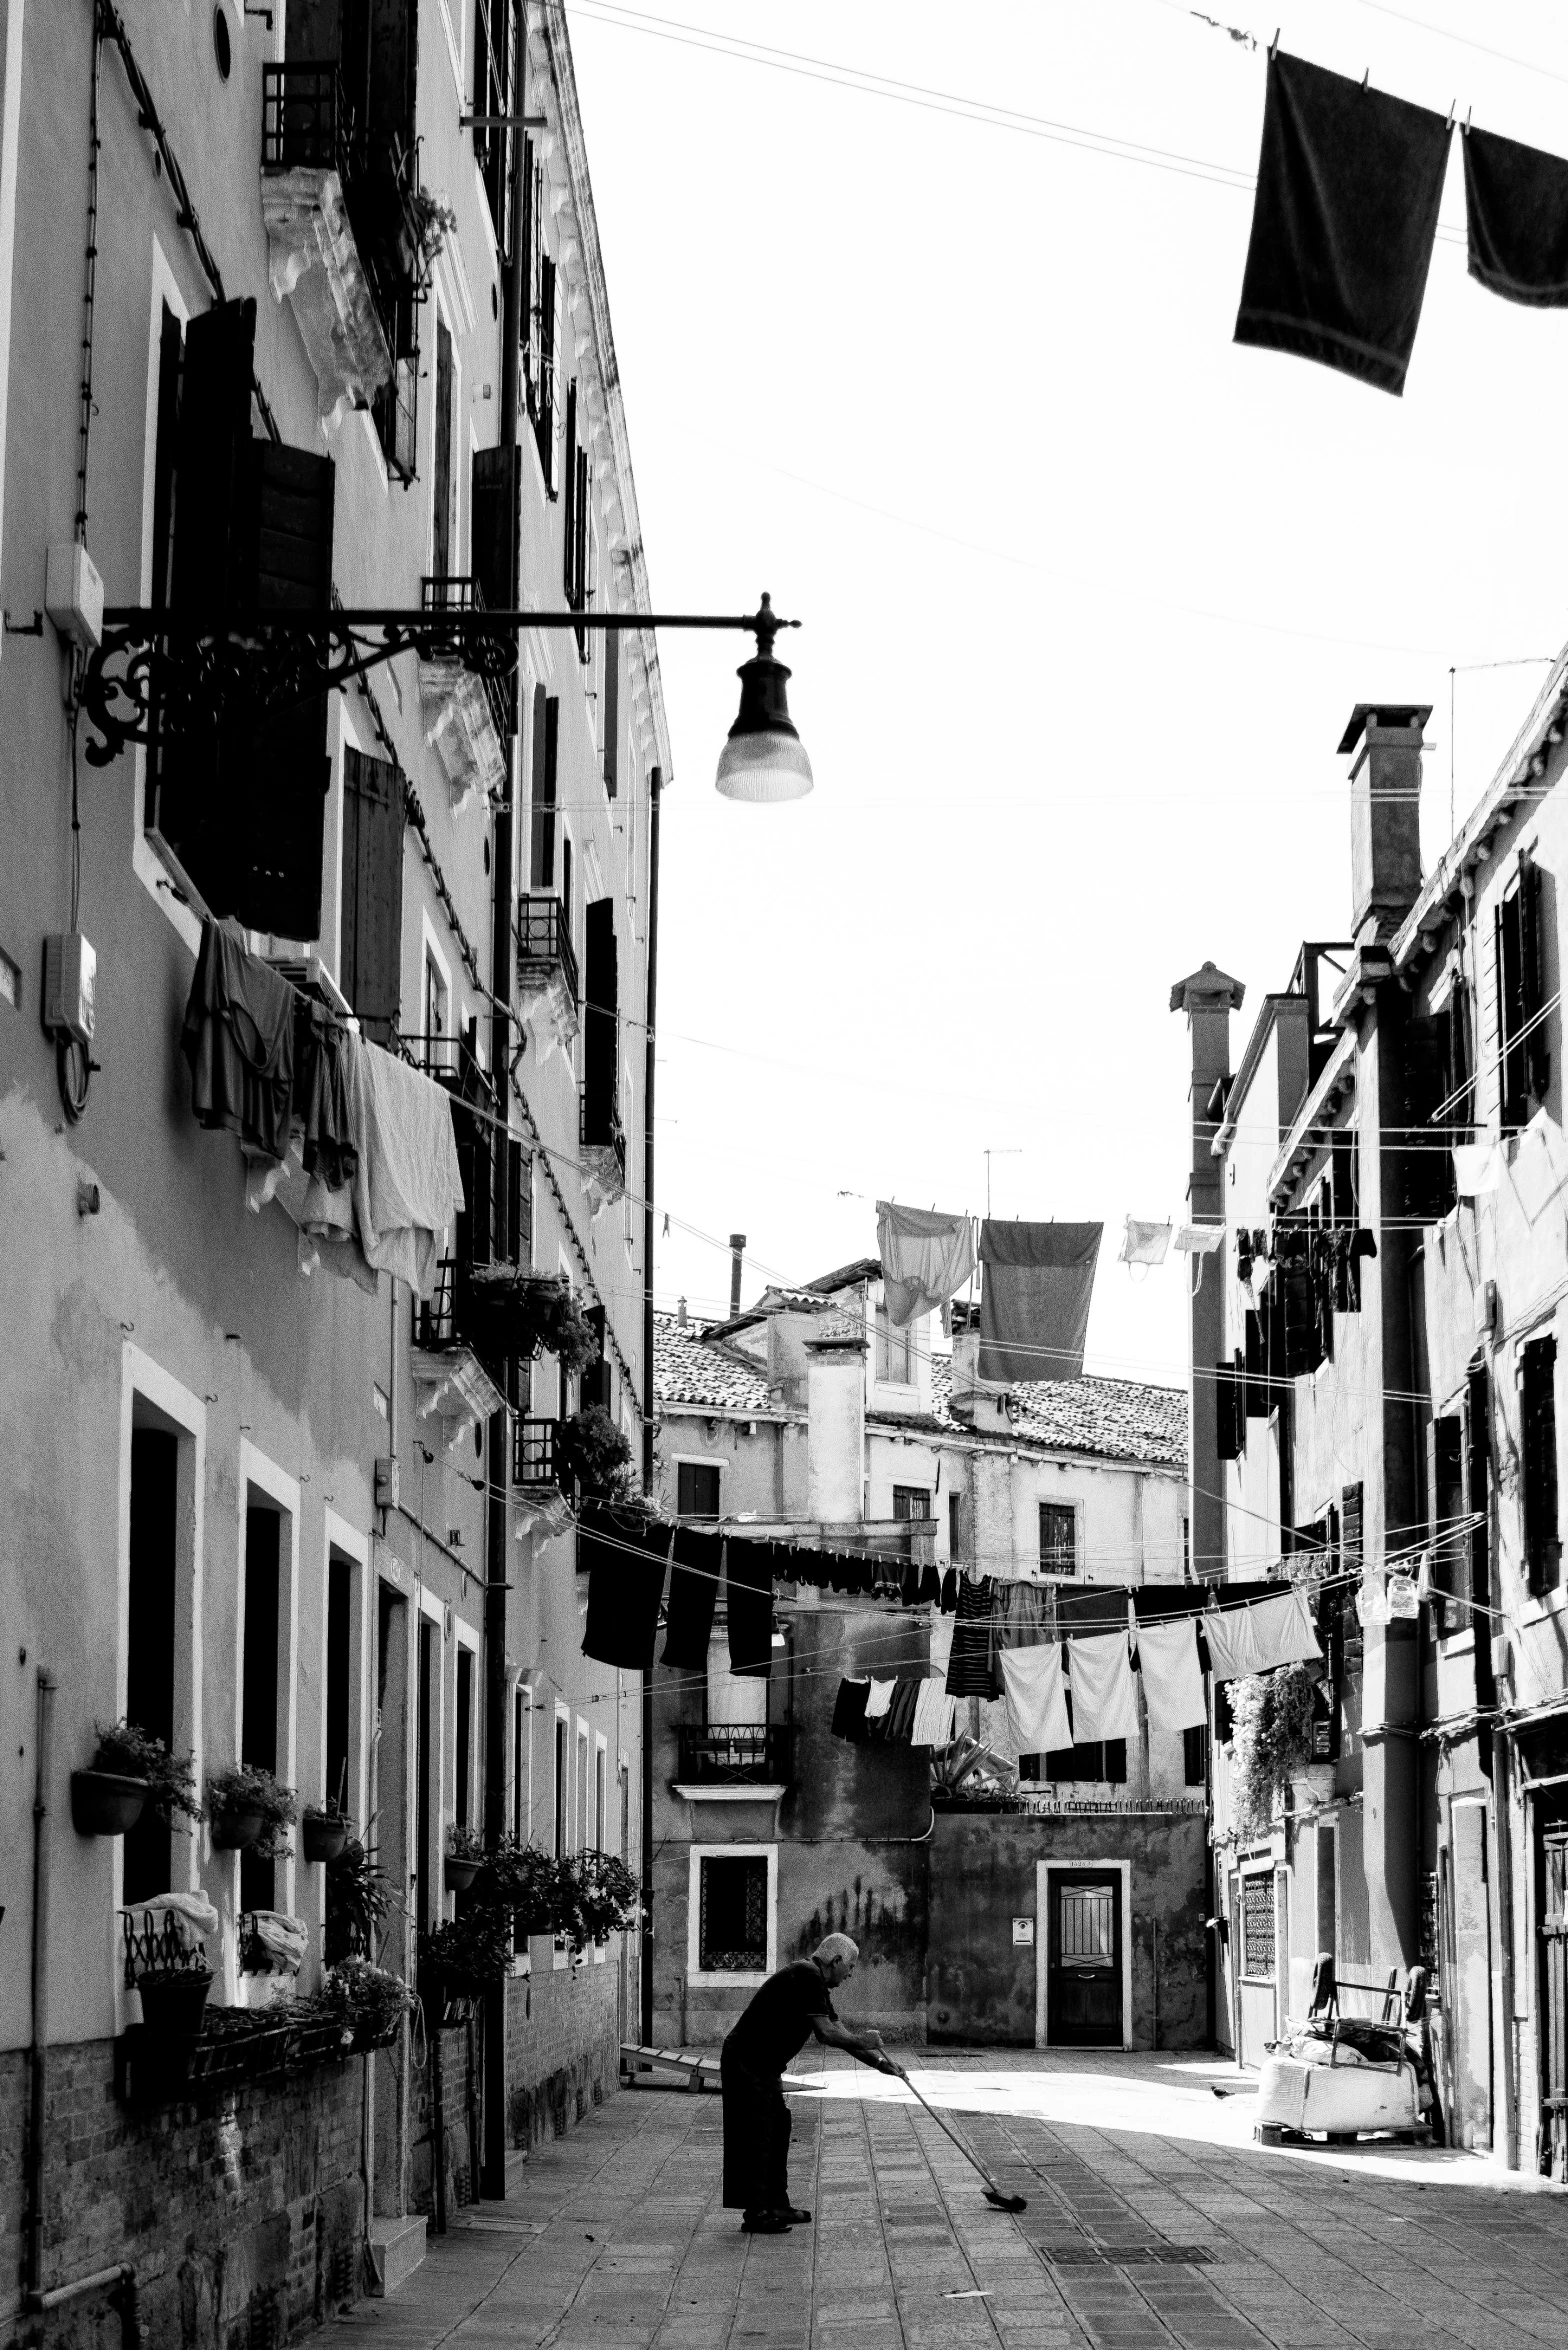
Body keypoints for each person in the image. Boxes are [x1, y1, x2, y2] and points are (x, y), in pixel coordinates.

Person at [720, 1932, 903, 2234]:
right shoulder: (806, 1975)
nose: (851, 1974)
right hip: (746, 2061)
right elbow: (826, 2035)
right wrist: (864, 2040)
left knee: (778, 2127)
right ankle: (757, 2212)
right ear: (837, 1960)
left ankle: (777, 2203)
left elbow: (838, 2030)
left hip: (763, 2065)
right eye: (851, 1967)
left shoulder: (814, 1981)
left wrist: (882, 2064)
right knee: (759, 2132)